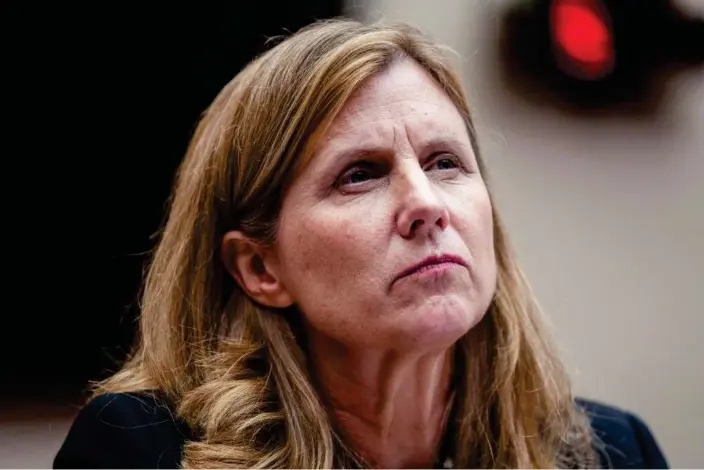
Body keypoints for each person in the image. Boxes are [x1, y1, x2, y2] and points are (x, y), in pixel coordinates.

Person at [53, 19, 668, 469]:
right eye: (361, 174)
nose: (426, 204)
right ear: (260, 267)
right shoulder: (140, 451)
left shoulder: (616, 453)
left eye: (446, 162)